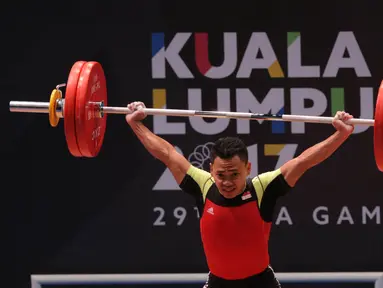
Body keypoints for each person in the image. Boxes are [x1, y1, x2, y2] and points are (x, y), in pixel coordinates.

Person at [125, 101, 355, 288]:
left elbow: (305, 161)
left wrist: (341, 135)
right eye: (220, 174)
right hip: (218, 283)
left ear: (248, 169)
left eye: (234, 174)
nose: (226, 182)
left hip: (261, 283)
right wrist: (136, 124)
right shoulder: (203, 185)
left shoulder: (263, 188)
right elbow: (166, 153)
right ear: (210, 170)